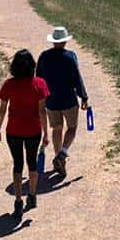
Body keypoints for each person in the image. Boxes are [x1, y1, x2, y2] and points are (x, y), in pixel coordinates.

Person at [0, 49, 49, 220]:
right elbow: (42, 111)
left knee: (17, 164)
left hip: (14, 130)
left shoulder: (9, 84)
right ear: (32, 66)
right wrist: (46, 133)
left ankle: (18, 200)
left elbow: (2, 109)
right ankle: (32, 195)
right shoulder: (39, 83)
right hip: (33, 129)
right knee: (32, 163)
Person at [37, 25, 89, 176]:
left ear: (53, 41)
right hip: (68, 99)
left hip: (51, 100)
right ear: (65, 41)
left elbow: (38, 78)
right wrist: (83, 96)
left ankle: (57, 157)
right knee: (71, 128)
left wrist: (39, 97)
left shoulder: (43, 56)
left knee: (57, 128)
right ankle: (62, 154)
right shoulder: (70, 56)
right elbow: (77, 78)